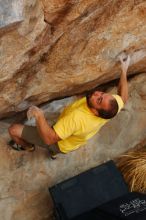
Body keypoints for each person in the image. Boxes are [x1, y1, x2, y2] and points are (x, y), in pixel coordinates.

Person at [8, 55, 130, 158]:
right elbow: (123, 98)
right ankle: (54, 154)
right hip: (72, 143)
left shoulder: (77, 118)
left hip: (58, 143)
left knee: (13, 130)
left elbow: (50, 139)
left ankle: (28, 147)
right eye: (102, 93)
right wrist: (124, 70)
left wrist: (39, 115)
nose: (96, 93)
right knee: (60, 145)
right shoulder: (110, 109)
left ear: (96, 112)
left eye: (98, 100)